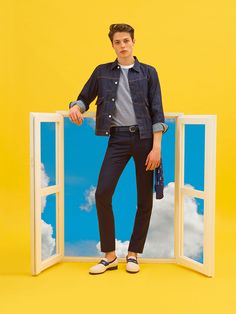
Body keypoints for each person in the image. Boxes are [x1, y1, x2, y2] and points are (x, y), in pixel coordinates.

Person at [68, 23, 168, 274]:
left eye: (126, 41)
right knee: (102, 193)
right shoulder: (102, 72)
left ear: (134, 42)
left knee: (144, 199)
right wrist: (76, 107)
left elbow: (157, 111)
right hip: (117, 140)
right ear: (112, 45)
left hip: (145, 140)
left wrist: (156, 148)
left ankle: (133, 253)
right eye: (117, 42)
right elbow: (84, 97)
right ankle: (110, 255)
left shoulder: (148, 72)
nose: (122, 46)